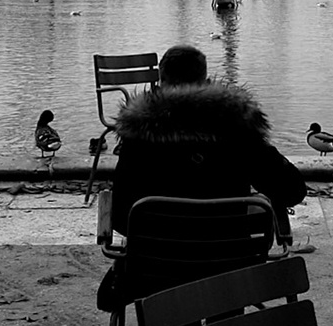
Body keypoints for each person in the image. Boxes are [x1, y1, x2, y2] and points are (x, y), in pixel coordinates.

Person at [102, 45, 307, 307]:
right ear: (206, 81)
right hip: (229, 264)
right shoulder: (238, 126)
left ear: (160, 83)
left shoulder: (138, 135)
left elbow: (120, 218)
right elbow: (292, 190)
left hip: (159, 267)